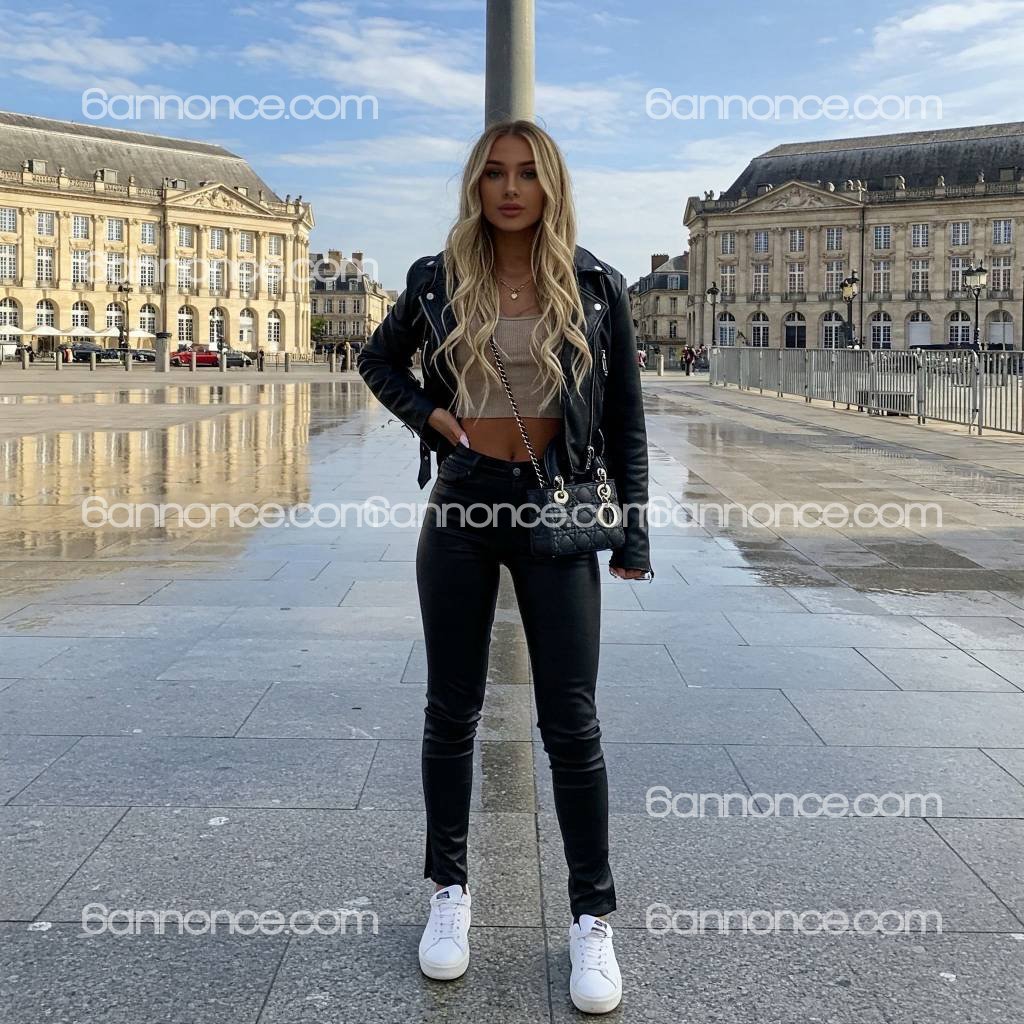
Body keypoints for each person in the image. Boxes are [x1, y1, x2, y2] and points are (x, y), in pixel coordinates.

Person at [357, 119, 652, 1015]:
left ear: (550, 184)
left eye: (527, 173)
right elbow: (377, 360)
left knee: (572, 721)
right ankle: (449, 892)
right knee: (452, 710)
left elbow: (626, 418)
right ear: (476, 186)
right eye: (495, 174)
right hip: (464, 503)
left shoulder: (596, 284)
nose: (511, 188)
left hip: (557, 504)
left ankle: (592, 916)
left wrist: (633, 536)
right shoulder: (437, 277)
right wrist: (429, 417)